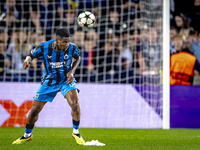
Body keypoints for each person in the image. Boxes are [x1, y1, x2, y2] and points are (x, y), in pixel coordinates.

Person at [12, 28, 85, 145]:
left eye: (68, 41)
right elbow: (31, 54)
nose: (67, 44)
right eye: (64, 42)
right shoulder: (44, 47)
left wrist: (71, 71)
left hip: (66, 80)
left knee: (75, 105)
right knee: (34, 110)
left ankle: (76, 132)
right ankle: (27, 135)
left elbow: (78, 58)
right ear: (56, 40)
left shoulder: (72, 47)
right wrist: (27, 60)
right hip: (48, 81)